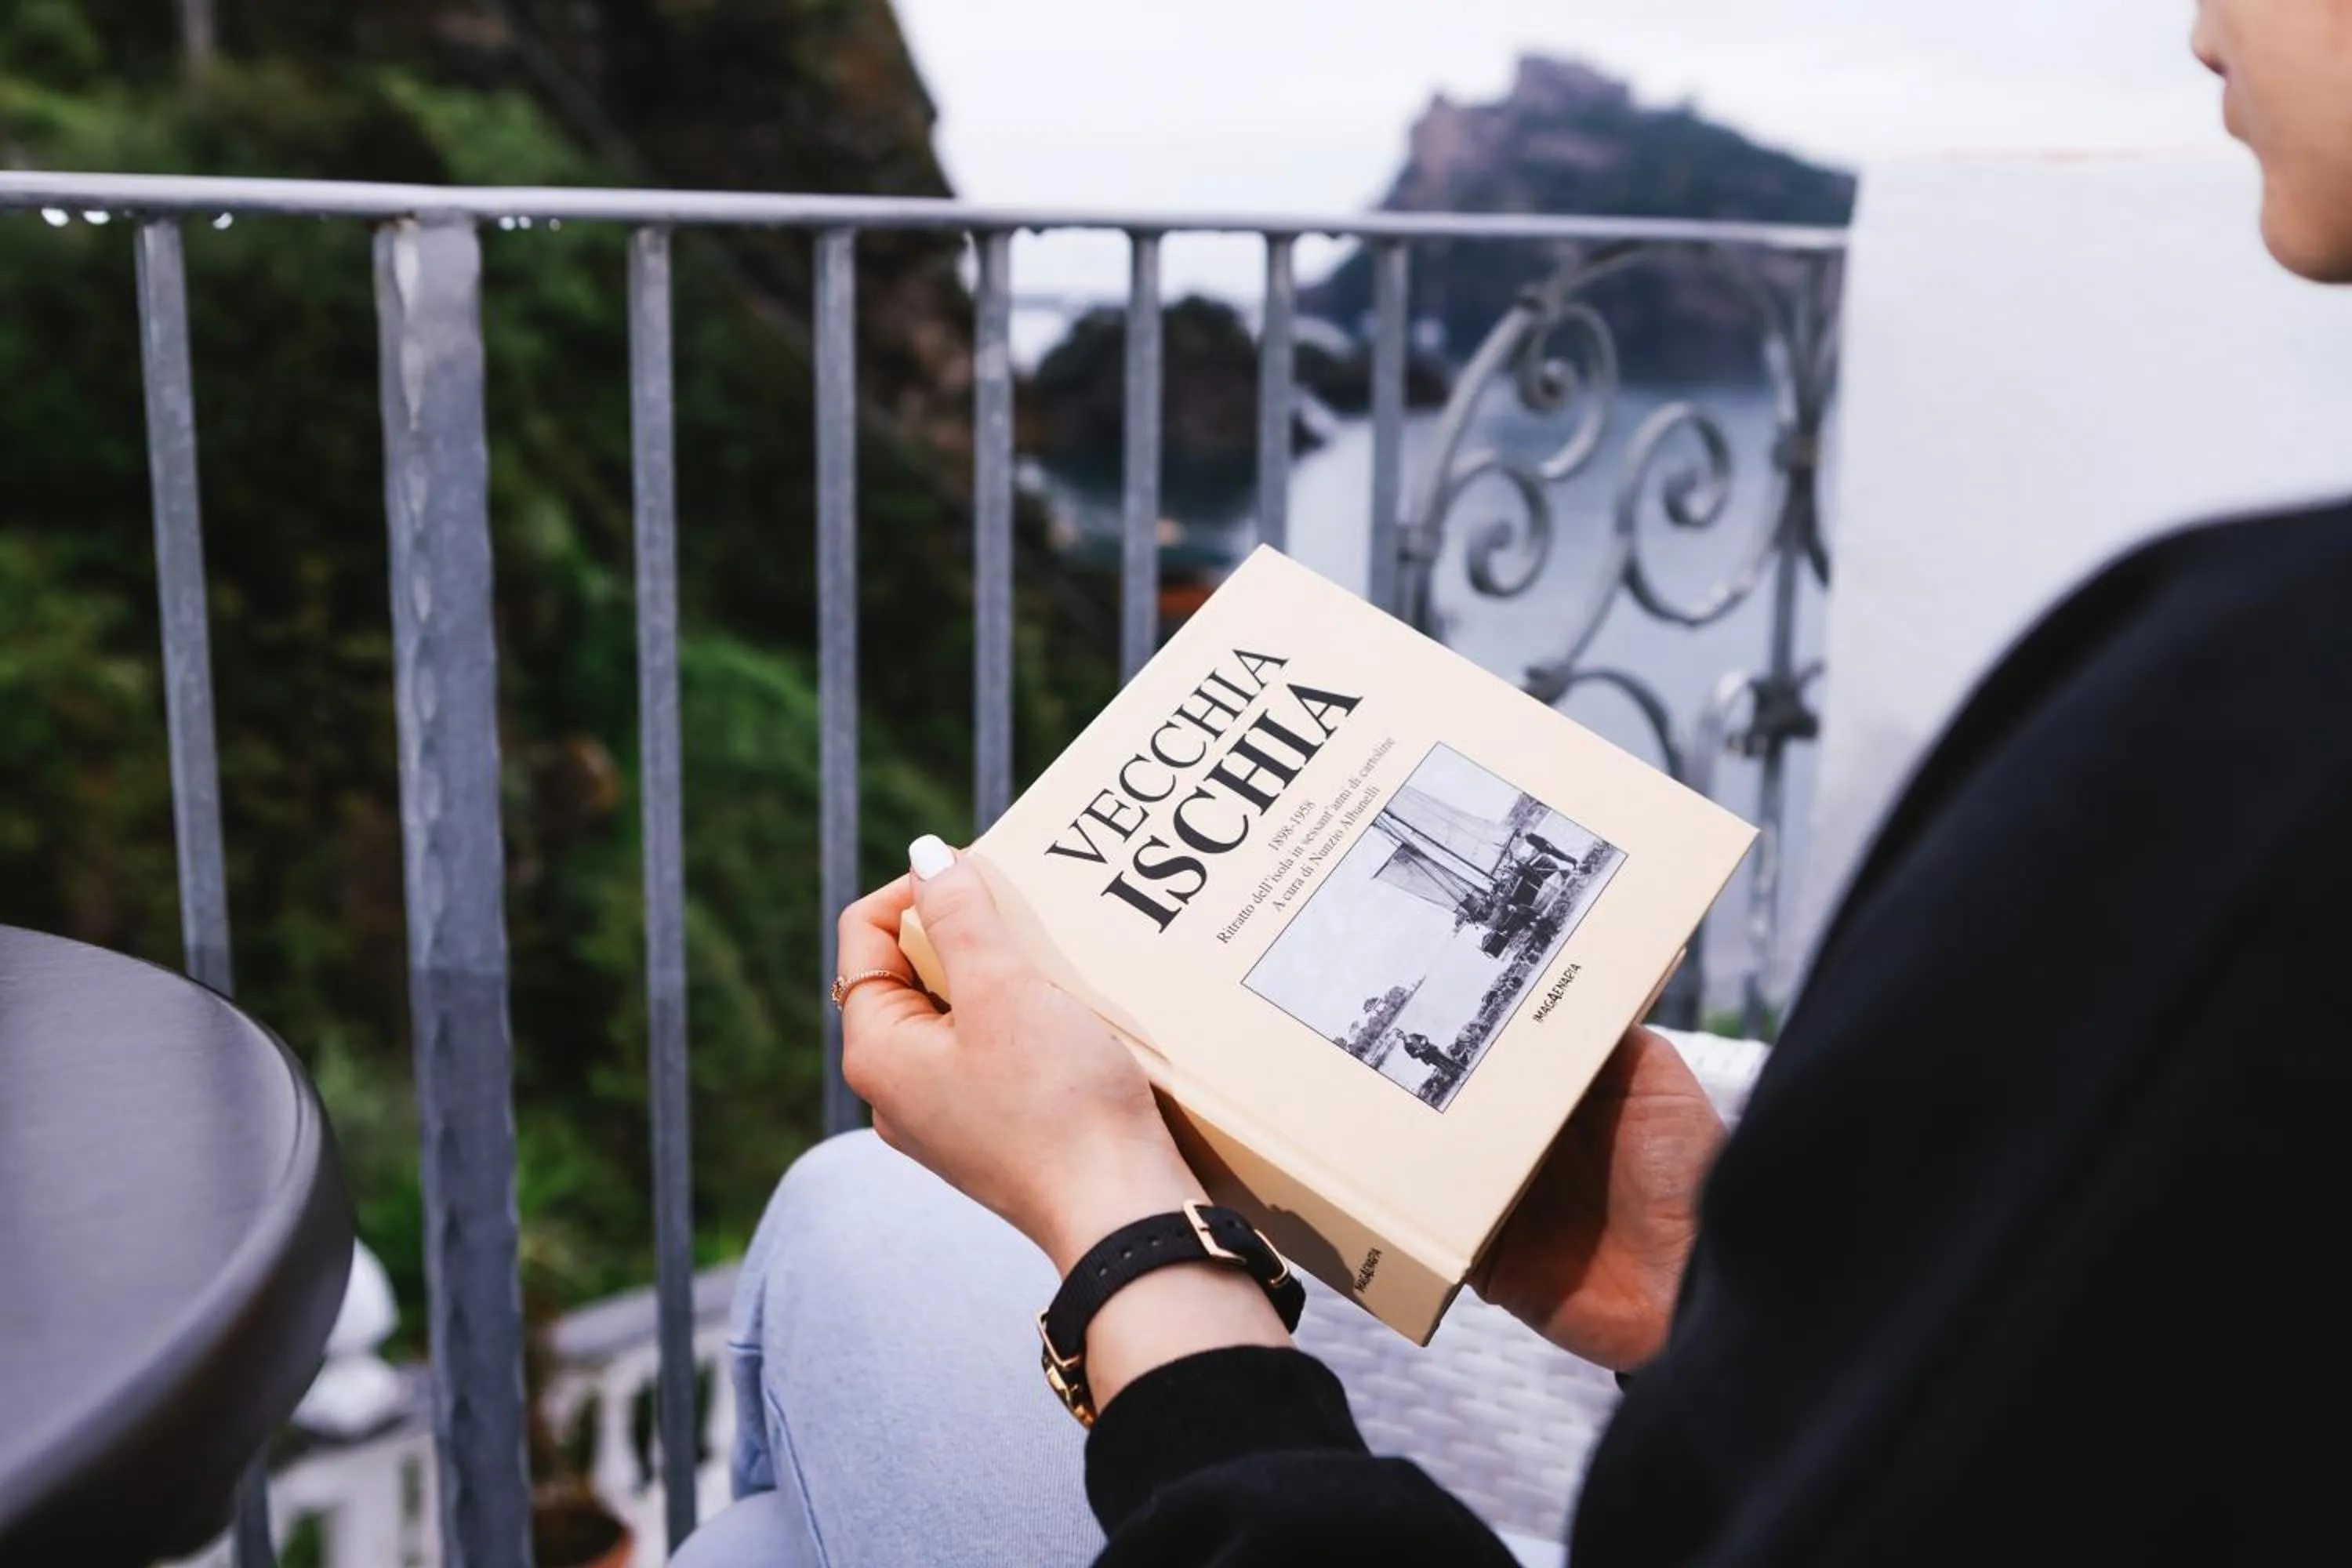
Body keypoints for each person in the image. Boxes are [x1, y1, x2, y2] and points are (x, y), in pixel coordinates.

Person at [706, 5, 2352, 1563]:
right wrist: (1690, 1290)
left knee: (847, 1239)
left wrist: (1126, 1226)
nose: (2196, 26)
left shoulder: (2257, 734)